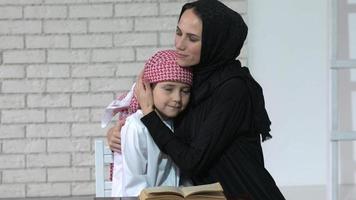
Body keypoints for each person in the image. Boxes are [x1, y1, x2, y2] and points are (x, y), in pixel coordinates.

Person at [108, 0, 286, 199]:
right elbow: (166, 128)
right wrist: (121, 134)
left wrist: (149, 116)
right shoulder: (189, 81)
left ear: (214, 43)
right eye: (178, 33)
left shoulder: (234, 89)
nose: (179, 45)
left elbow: (192, 161)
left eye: (192, 38)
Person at [103, 50, 193, 197]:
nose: (177, 98)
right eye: (168, 89)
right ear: (148, 89)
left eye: (185, 91)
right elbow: (134, 187)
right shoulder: (136, 127)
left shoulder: (179, 124)